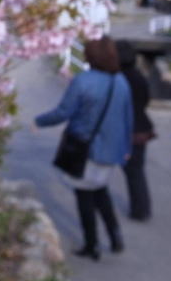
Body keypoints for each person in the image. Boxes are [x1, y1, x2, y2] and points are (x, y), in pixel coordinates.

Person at [35, 36, 133, 261]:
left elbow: (63, 112)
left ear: (90, 57)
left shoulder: (83, 81)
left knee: (84, 196)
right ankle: (115, 237)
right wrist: (126, 148)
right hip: (111, 150)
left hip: (86, 148)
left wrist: (39, 121)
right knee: (100, 190)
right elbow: (128, 119)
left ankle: (92, 245)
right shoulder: (121, 82)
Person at [115, 39, 155, 221]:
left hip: (127, 130)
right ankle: (142, 208)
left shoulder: (118, 79)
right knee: (137, 170)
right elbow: (146, 100)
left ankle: (140, 210)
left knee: (133, 171)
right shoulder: (139, 77)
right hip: (142, 128)